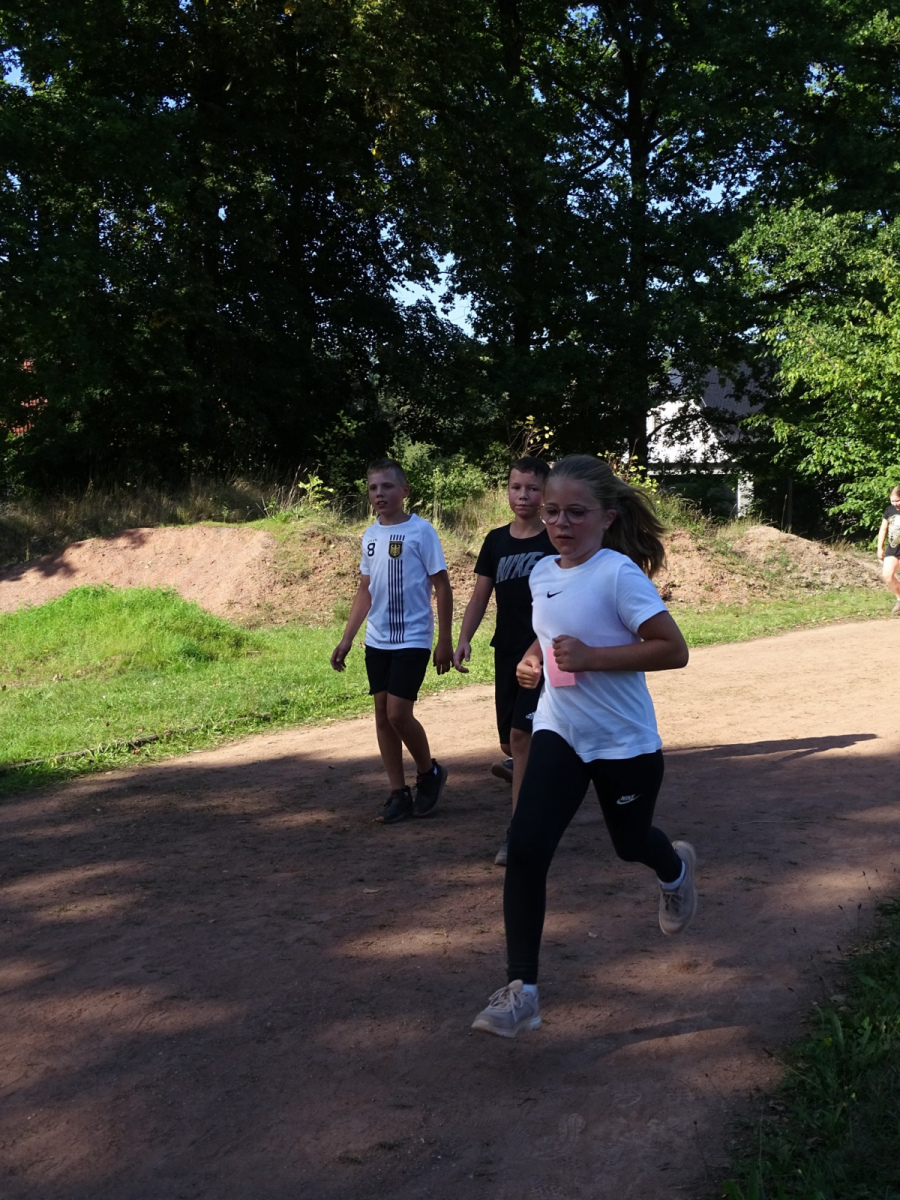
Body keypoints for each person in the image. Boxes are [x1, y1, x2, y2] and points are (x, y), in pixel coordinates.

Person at [470, 454, 695, 1038]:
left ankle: (674, 869)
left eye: (576, 512)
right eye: (552, 512)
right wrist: (531, 659)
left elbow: (673, 649)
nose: (560, 523)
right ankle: (522, 991)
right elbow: (548, 636)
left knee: (630, 844)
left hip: (622, 741)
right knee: (526, 849)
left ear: (606, 517)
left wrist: (592, 657)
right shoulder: (542, 572)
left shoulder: (618, 574)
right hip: (560, 730)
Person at [331, 458, 452, 823]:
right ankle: (398, 792)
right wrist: (347, 638)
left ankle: (429, 772)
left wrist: (444, 639)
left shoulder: (421, 532)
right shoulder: (370, 536)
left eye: (387, 486)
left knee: (399, 713)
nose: (379, 494)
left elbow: (442, 586)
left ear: (404, 491)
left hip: (413, 636)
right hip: (377, 639)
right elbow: (365, 590)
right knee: (382, 716)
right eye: (373, 488)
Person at [452, 457, 555, 865]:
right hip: (506, 651)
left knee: (521, 737)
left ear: (545, 493)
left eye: (532, 488)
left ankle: (520, 831)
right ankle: (535, 779)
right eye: (516, 487)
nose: (523, 495)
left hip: (543, 653)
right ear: (507, 490)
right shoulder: (495, 541)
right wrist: (464, 638)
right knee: (510, 742)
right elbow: (480, 597)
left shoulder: (554, 540)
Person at [876, 485, 900, 615]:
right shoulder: (889, 510)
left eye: (897, 500)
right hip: (893, 548)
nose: (895, 503)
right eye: (893, 501)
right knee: (887, 575)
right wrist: (879, 547)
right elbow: (883, 529)